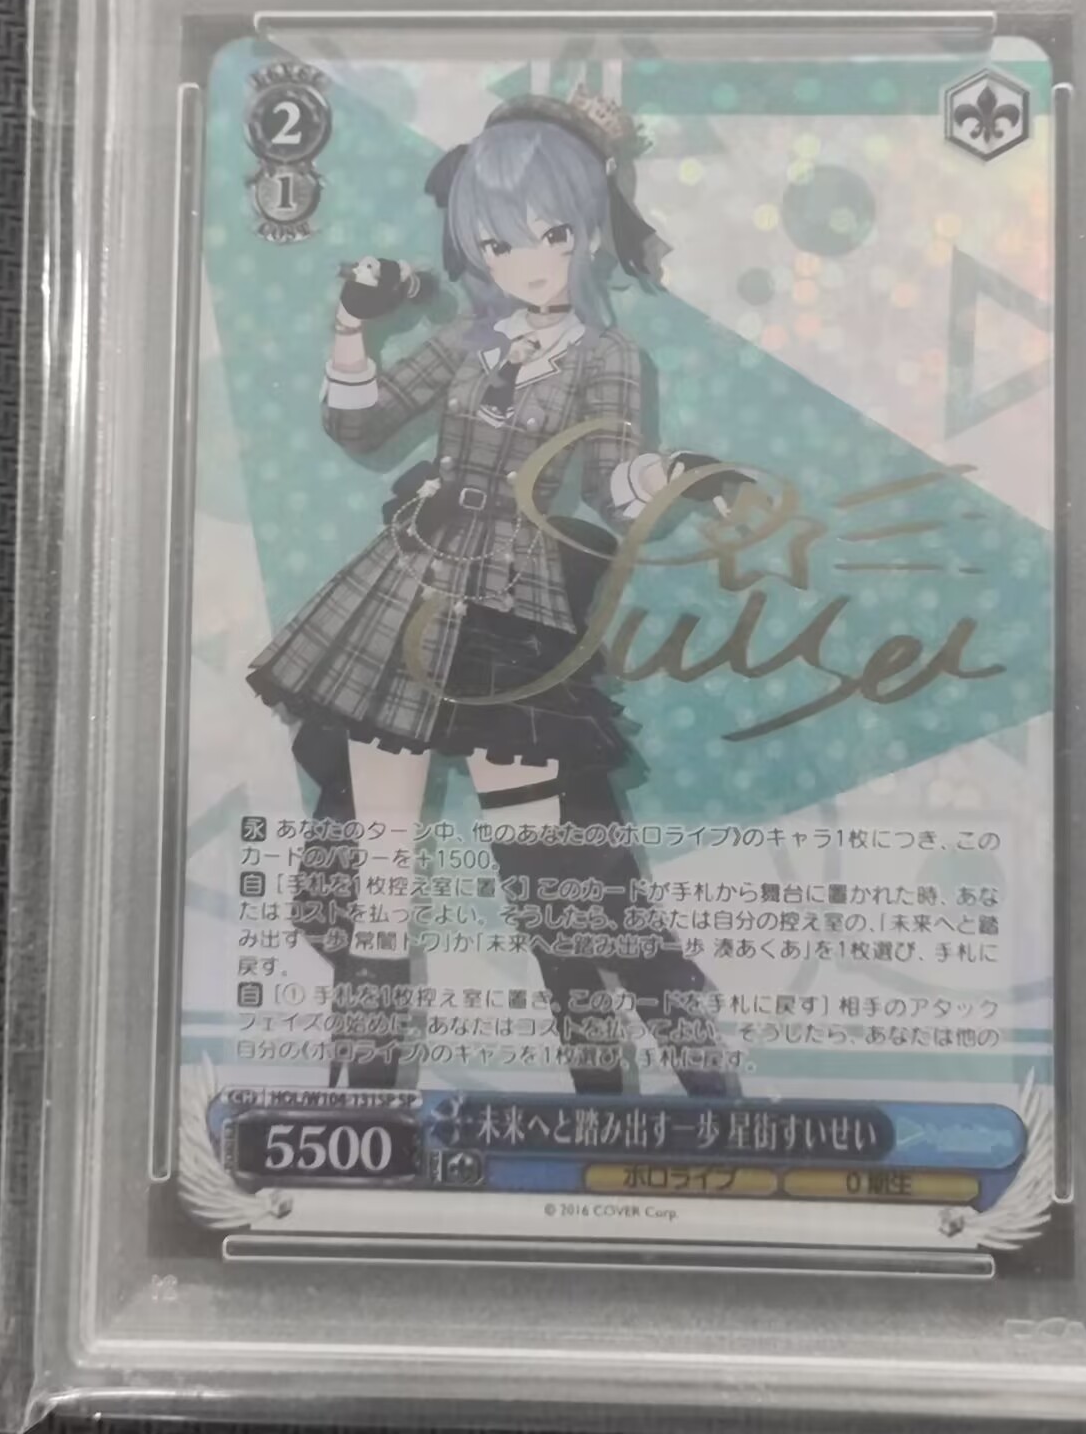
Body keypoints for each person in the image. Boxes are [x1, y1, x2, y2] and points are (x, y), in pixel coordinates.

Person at [248, 87, 738, 1098]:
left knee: (552, 880)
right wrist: (350, 325)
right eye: (500, 242)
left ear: (590, 230)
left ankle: (626, 1089)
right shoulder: (467, 340)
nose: (532, 261)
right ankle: (361, 1096)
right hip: (405, 599)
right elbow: (360, 423)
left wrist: (674, 475)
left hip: (513, 615)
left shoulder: (605, 355)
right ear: (475, 248)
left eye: (554, 234)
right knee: (380, 880)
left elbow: (610, 479)